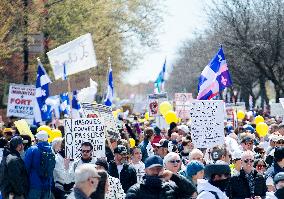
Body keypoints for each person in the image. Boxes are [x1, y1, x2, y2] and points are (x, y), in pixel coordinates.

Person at [126, 155, 196, 199]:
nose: (156, 172)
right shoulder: (136, 191)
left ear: (163, 169)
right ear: (145, 171)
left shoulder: (171, 187)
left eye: (159, 169)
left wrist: (174, 177)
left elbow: (192, 192)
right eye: (152, 169)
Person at [24, 130, 55, 199]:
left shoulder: (32, 149)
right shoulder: (51, 150)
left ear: (37, 139)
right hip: (47, 185)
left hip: (34, 184)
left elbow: (26, 167)